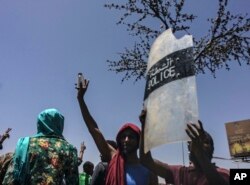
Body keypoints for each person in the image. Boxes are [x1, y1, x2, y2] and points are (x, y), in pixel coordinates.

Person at [76, 79, 158, 185]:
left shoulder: (149, 172)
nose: (126, 140)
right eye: (123, 136)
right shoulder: (114, 158)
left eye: (131, 137)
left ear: (139, 142)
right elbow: (94, 130)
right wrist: (80, 99)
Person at [139, 110, 229, 185]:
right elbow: (146, 161)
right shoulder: (180, 173)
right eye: (194, 142)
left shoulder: (224, 174)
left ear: (212, 149)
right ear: (189, 149)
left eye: (205, 142)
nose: (198, 145)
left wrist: (201, 157)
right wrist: (145, 127)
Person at [2, 108, 79, 185]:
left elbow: (10, 177)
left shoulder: (25, 143)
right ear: (60, 124)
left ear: (40, 123)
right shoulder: (69, 149)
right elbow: (73, 181)